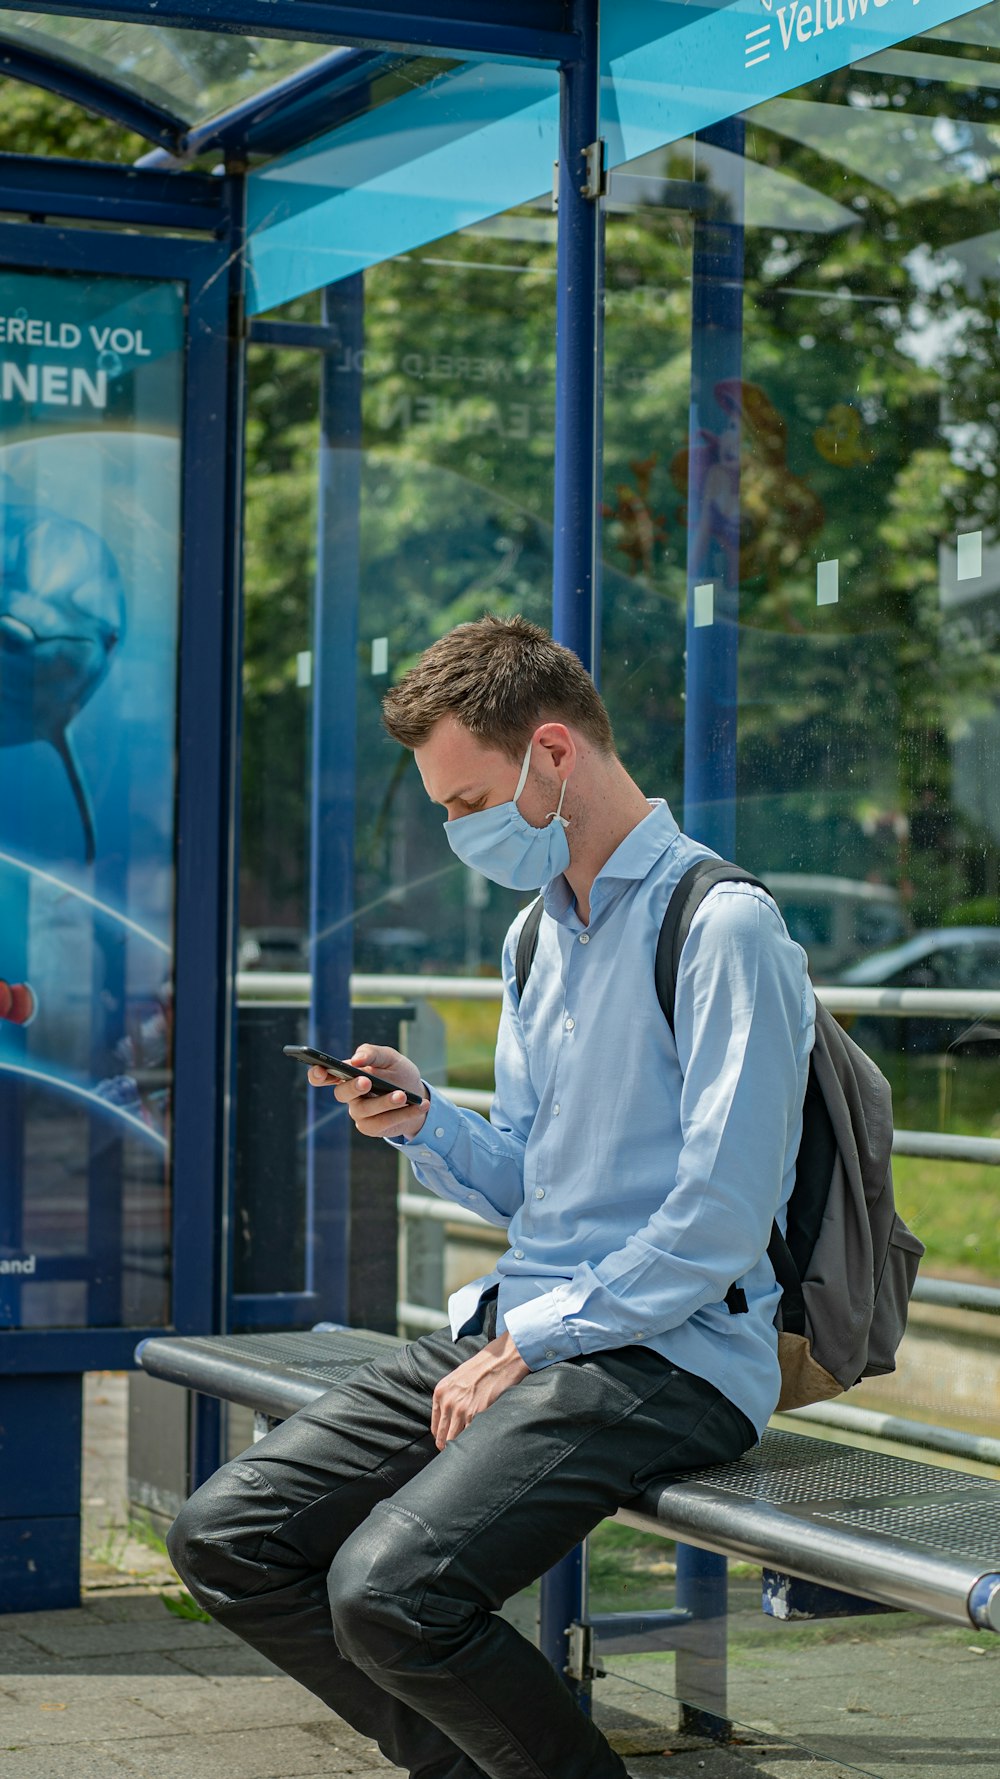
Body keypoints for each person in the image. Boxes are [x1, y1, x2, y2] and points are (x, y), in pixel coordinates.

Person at [168, 614, 815, 1779]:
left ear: (554, 754)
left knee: (391, 1593)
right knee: (230, 1537)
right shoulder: (535, 939)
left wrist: (526, 1341)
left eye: (466, 802)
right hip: (534, 1324)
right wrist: (429, 1121)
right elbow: (541, 1178)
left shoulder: (723, 928)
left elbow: (719, 1220)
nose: (455, 831)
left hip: (673, 1354)